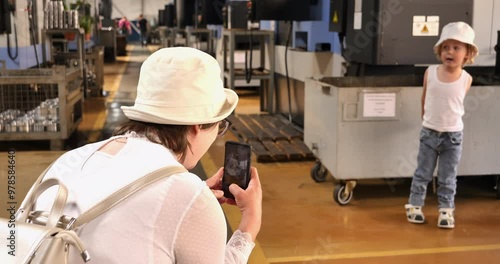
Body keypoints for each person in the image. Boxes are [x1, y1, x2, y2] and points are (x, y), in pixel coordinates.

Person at [34, 47, 263, 263]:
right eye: (218, 126)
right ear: (197, 126)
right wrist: (248, 226)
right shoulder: (191, 199)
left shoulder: (67, 161)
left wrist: (187, 205)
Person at [405, 21, 478, 229]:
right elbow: (424, 98)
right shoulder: (430, 72)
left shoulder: (466, 78)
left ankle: (446, 210)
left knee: (448, 176)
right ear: (440, 50)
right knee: (423, 173)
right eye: (446, 47)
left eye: (457, 48)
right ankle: (415, 205)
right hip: (429, 133)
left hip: (453, 137)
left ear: (467, 53)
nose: (450, 52)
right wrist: (427, 123)